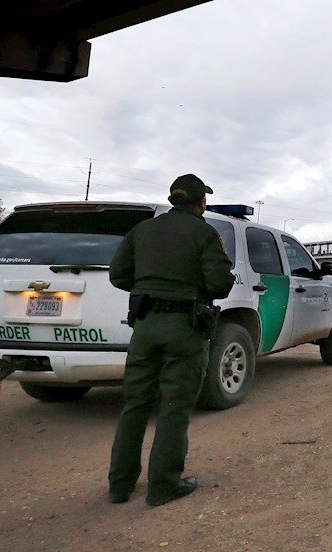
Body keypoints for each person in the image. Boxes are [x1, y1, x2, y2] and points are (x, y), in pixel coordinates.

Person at [107, 174, 235, 507]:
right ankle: (163, 486)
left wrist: (149, 286)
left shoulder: (142, 231)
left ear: (172, 199)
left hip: (145, 326)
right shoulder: (205, 234)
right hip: (185, 330)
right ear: (201, 203)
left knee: (134, 404)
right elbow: (220, 284)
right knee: (173, 408)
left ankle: (119, 486)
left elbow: (118, 275)